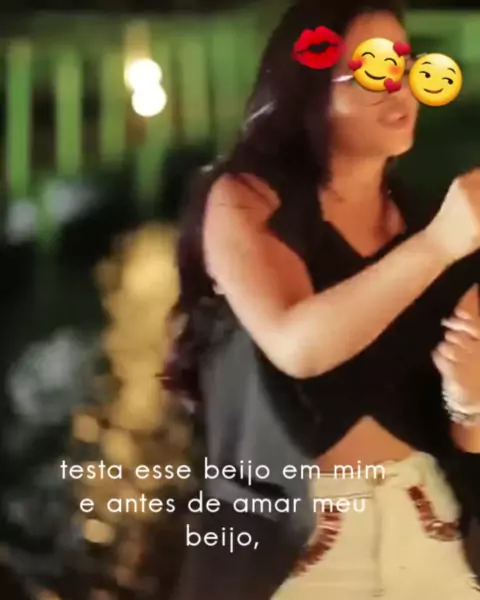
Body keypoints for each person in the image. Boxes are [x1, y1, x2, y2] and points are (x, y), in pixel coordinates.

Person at [164, 0, 480, 598]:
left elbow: (468, 437)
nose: (401, 87)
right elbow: (297, 344)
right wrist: (441, 244)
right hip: (297, 549)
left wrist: (469, 402)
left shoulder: (426, 219)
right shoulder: (244, 201)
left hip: (429, 529)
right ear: (308, 85)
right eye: (374, 69)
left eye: (406, 65)